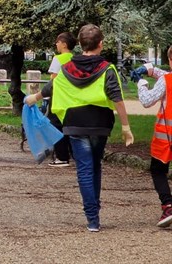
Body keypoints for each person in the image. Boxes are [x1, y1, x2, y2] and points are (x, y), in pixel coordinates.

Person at [24, 24, 133, 232]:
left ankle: (92, 219)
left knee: (84, 169)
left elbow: (52, 88)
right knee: (95, 165)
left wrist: (34, 98)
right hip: (100, 123)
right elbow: (117, 98)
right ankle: (95, 210)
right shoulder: (107, 69)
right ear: (100, 44)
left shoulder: (66, 69)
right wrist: (126, 126)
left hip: (75, 122)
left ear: (81, 44)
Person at [130, 47, 172, 227]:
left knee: (158, 171)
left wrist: (141, 83)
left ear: (170, 59)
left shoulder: (166, 80)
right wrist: (150, 69)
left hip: (166, 136)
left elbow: (147, 101)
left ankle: (168, 206)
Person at [46, 31, 77, 167]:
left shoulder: (58, 59)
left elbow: (53, 79)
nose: (56, 44)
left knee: (56, 126)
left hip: (59, 98)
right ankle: (75, 154)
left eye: (58, 42)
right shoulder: (76, 59)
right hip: (72, 98)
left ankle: (62, 157)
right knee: (71, 126)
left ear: (64, 44)